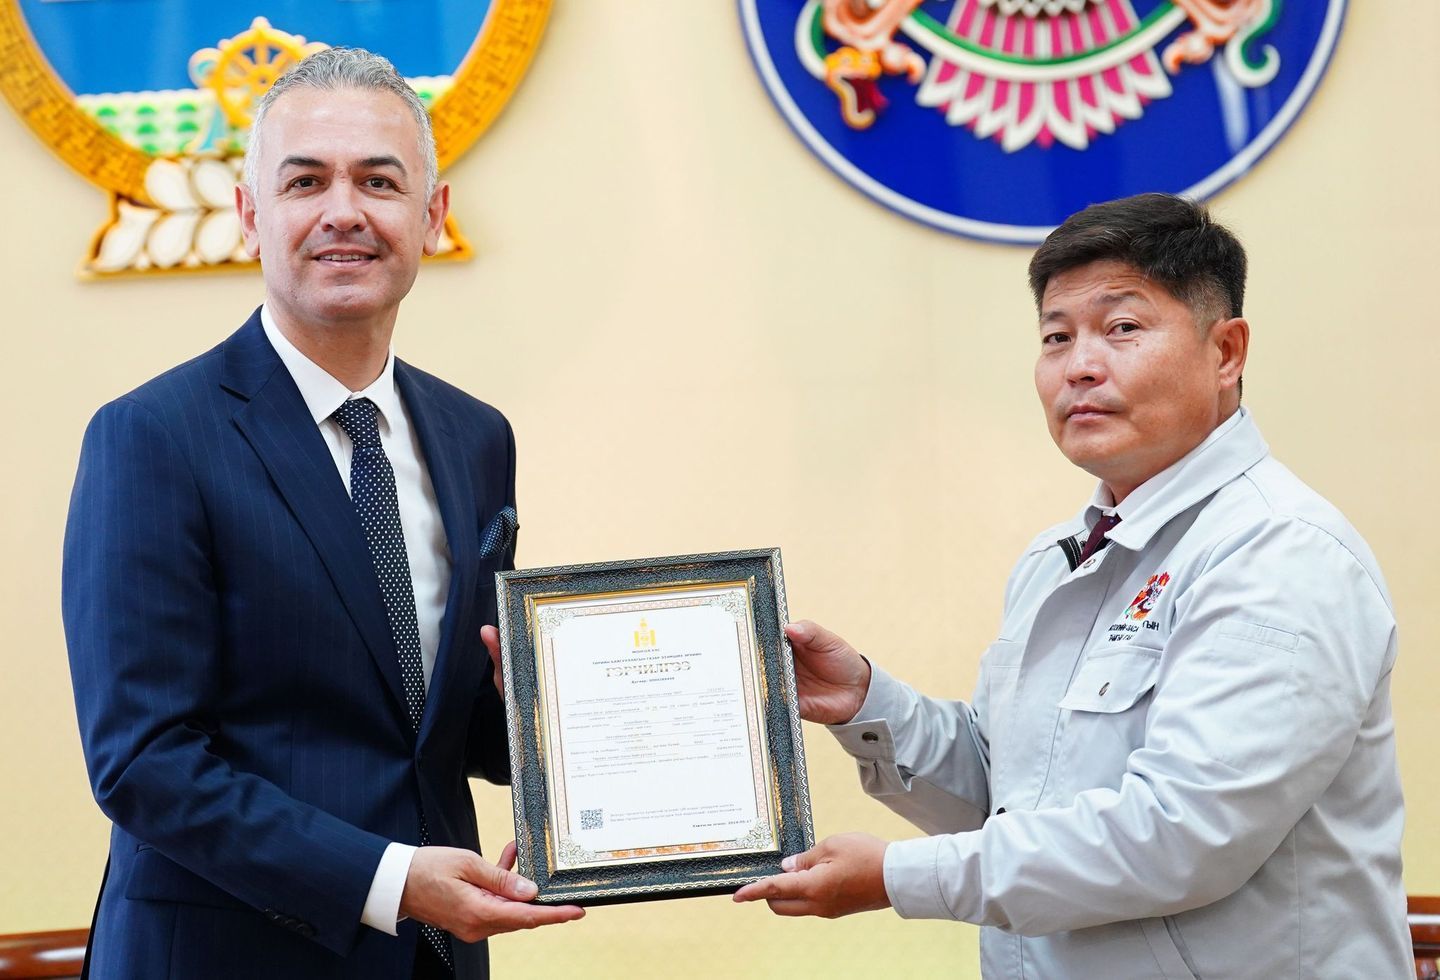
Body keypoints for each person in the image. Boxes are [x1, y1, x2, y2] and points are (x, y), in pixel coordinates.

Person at [735, 194, 1410, 978]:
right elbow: (1011, 798)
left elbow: (1180, 838)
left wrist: (897, 877)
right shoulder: (1056, 558)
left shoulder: (1279, 551)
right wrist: (864, 702)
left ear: (1226, 352)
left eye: (1122, 328)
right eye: (1057, 337)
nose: (1080, 365)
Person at [61, 48, 582, 980]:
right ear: (250, 215)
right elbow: (143, 762)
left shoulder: (476, 437)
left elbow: (444, 724)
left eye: (379, 181)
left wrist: (597, 710)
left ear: (432, 215)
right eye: (305, 181)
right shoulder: (152, 437)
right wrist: (391, 881)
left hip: (437, 960)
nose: (344, 210)